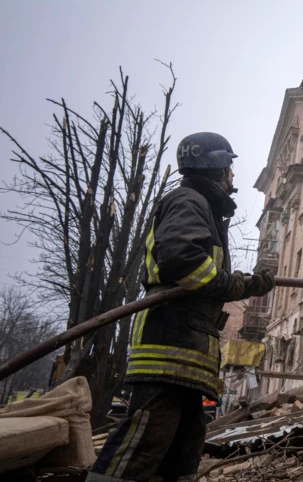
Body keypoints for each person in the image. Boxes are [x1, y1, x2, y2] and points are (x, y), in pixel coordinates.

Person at [88, 133, 275, 482]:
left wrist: (246, 284)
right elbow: (183, 261)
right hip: (169, 345)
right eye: (230, 166)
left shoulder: (202, 208)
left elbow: (201, 273)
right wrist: (236, 284)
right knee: (143, 443)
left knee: (183, 450)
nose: (233, 173)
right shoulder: (189, 201)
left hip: (186, 352)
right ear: (217, 167)